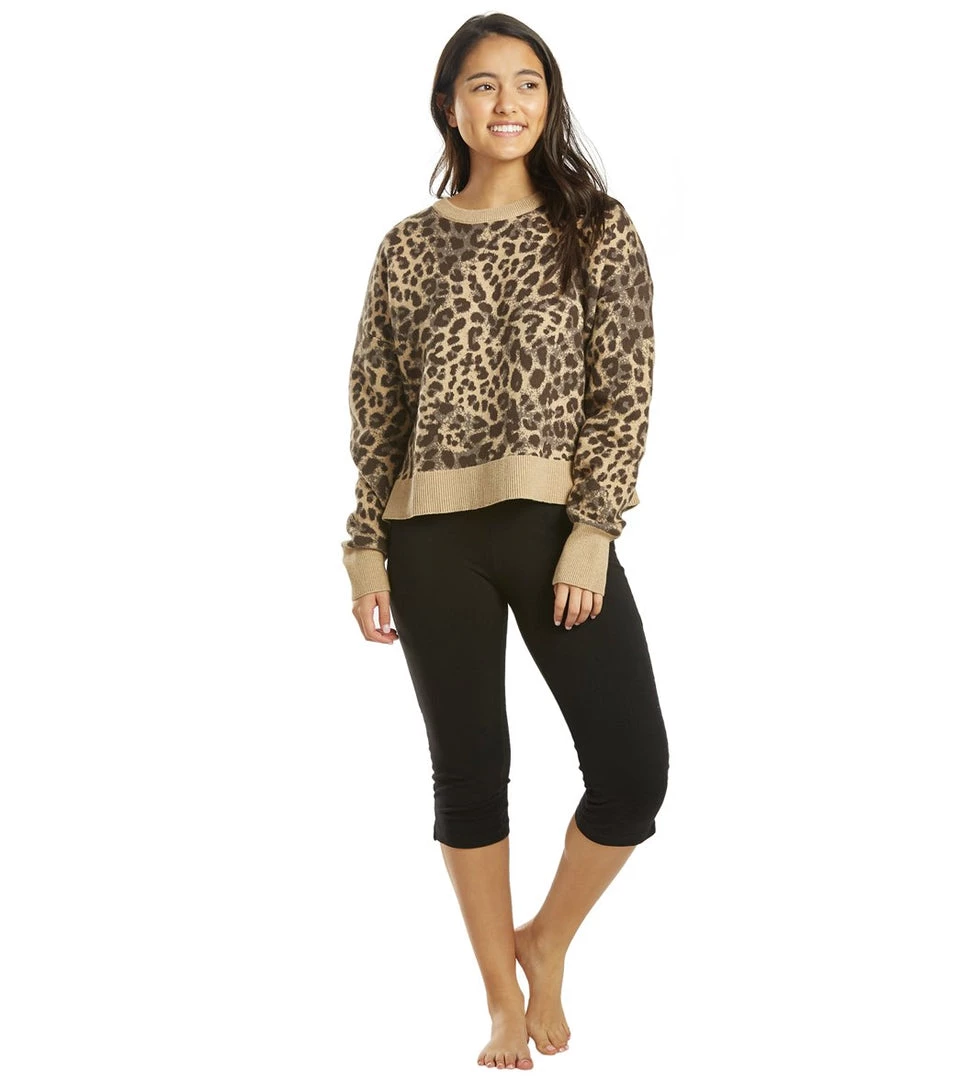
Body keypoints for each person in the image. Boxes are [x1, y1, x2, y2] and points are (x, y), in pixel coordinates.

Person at [340, 12, 669, 1070]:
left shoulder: (596, 228)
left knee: (632, 771)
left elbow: (623, 393)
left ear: (549, 100)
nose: (507, 102)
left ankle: (545, 940)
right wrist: (363, 548)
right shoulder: (407, 246)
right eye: (483, 85)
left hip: (553, 530)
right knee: (469, 774)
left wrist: (593, 530)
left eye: (527, 82)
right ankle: (496, 998)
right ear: (451, 106)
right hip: (427, 538)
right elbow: (376, 411)